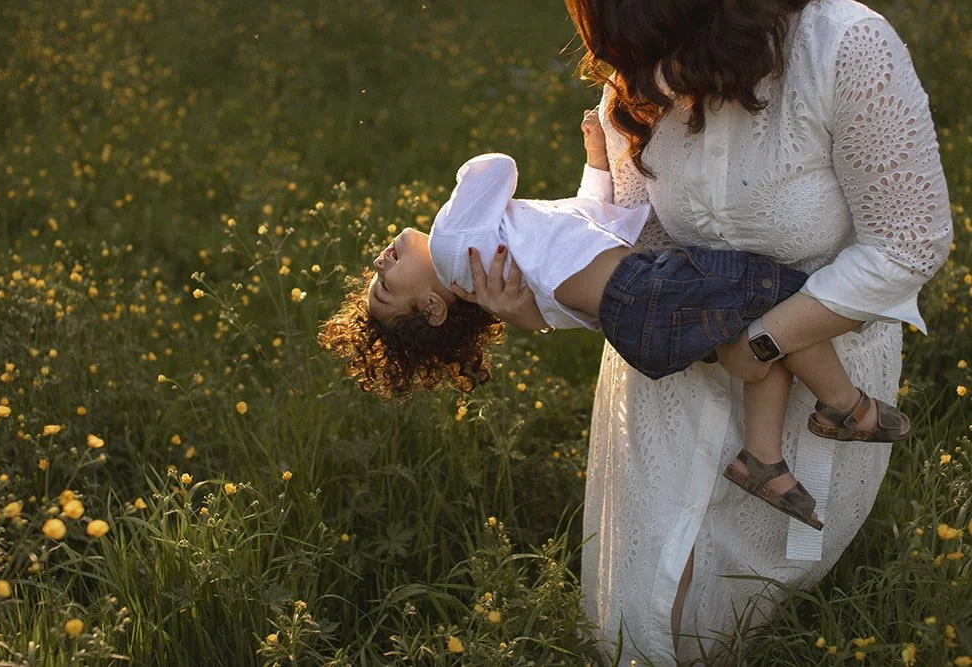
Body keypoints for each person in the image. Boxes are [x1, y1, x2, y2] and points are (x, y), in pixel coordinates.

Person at [454, 0, 952, 662]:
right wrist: (543, 306)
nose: (619, 65)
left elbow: (909, 243)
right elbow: (639, 261)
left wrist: (764, 339)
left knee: (741, 626)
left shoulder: (842, 45)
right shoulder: (637, 85)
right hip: (675, 381)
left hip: (816, 373)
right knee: (633, 627)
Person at [320, 114, 910, 532]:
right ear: (431, 307)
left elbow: (582, 227)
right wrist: (458, 206)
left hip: (634, 320)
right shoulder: (455, 240)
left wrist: (596, 161)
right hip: (645, 290)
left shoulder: (504, 278)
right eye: (384, 286)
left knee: (762, 341)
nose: (378, 262)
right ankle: (846, 407)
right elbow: (493, 165)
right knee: (777, 294)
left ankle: (762, 458)